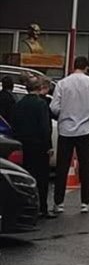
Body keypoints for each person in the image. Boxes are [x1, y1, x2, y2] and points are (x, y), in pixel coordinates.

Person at [50, 56, 89, 214]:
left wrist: (65, 112)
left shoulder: (62, 83)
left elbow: (54, 107)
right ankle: (85, 202)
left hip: (65, 129)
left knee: (62, 167)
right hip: (85, 129)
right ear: (87, 67)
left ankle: (58, 203)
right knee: (85, 166)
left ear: (73, 66)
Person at [11, 77, 53, 218]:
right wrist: (49, 145)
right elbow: (44, 127)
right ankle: (42, 207)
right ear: (39, 87)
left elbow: (14, 124)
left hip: (23, 144)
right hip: (39, 145)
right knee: (42, 178)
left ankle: (26, 206)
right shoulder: (41, 104)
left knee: (26, 175)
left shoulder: (19, 104)